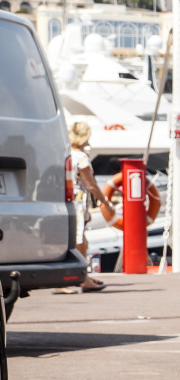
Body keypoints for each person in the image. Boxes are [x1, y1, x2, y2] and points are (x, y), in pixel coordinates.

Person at [56, 122, 115, 294]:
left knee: (76, 240)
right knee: (78, 240)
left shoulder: (64, 153)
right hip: (77, 200)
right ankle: (81, 278)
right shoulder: (81, 157)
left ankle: (80, 276)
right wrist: (106, 203)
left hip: (64, 199)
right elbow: (91, 185)